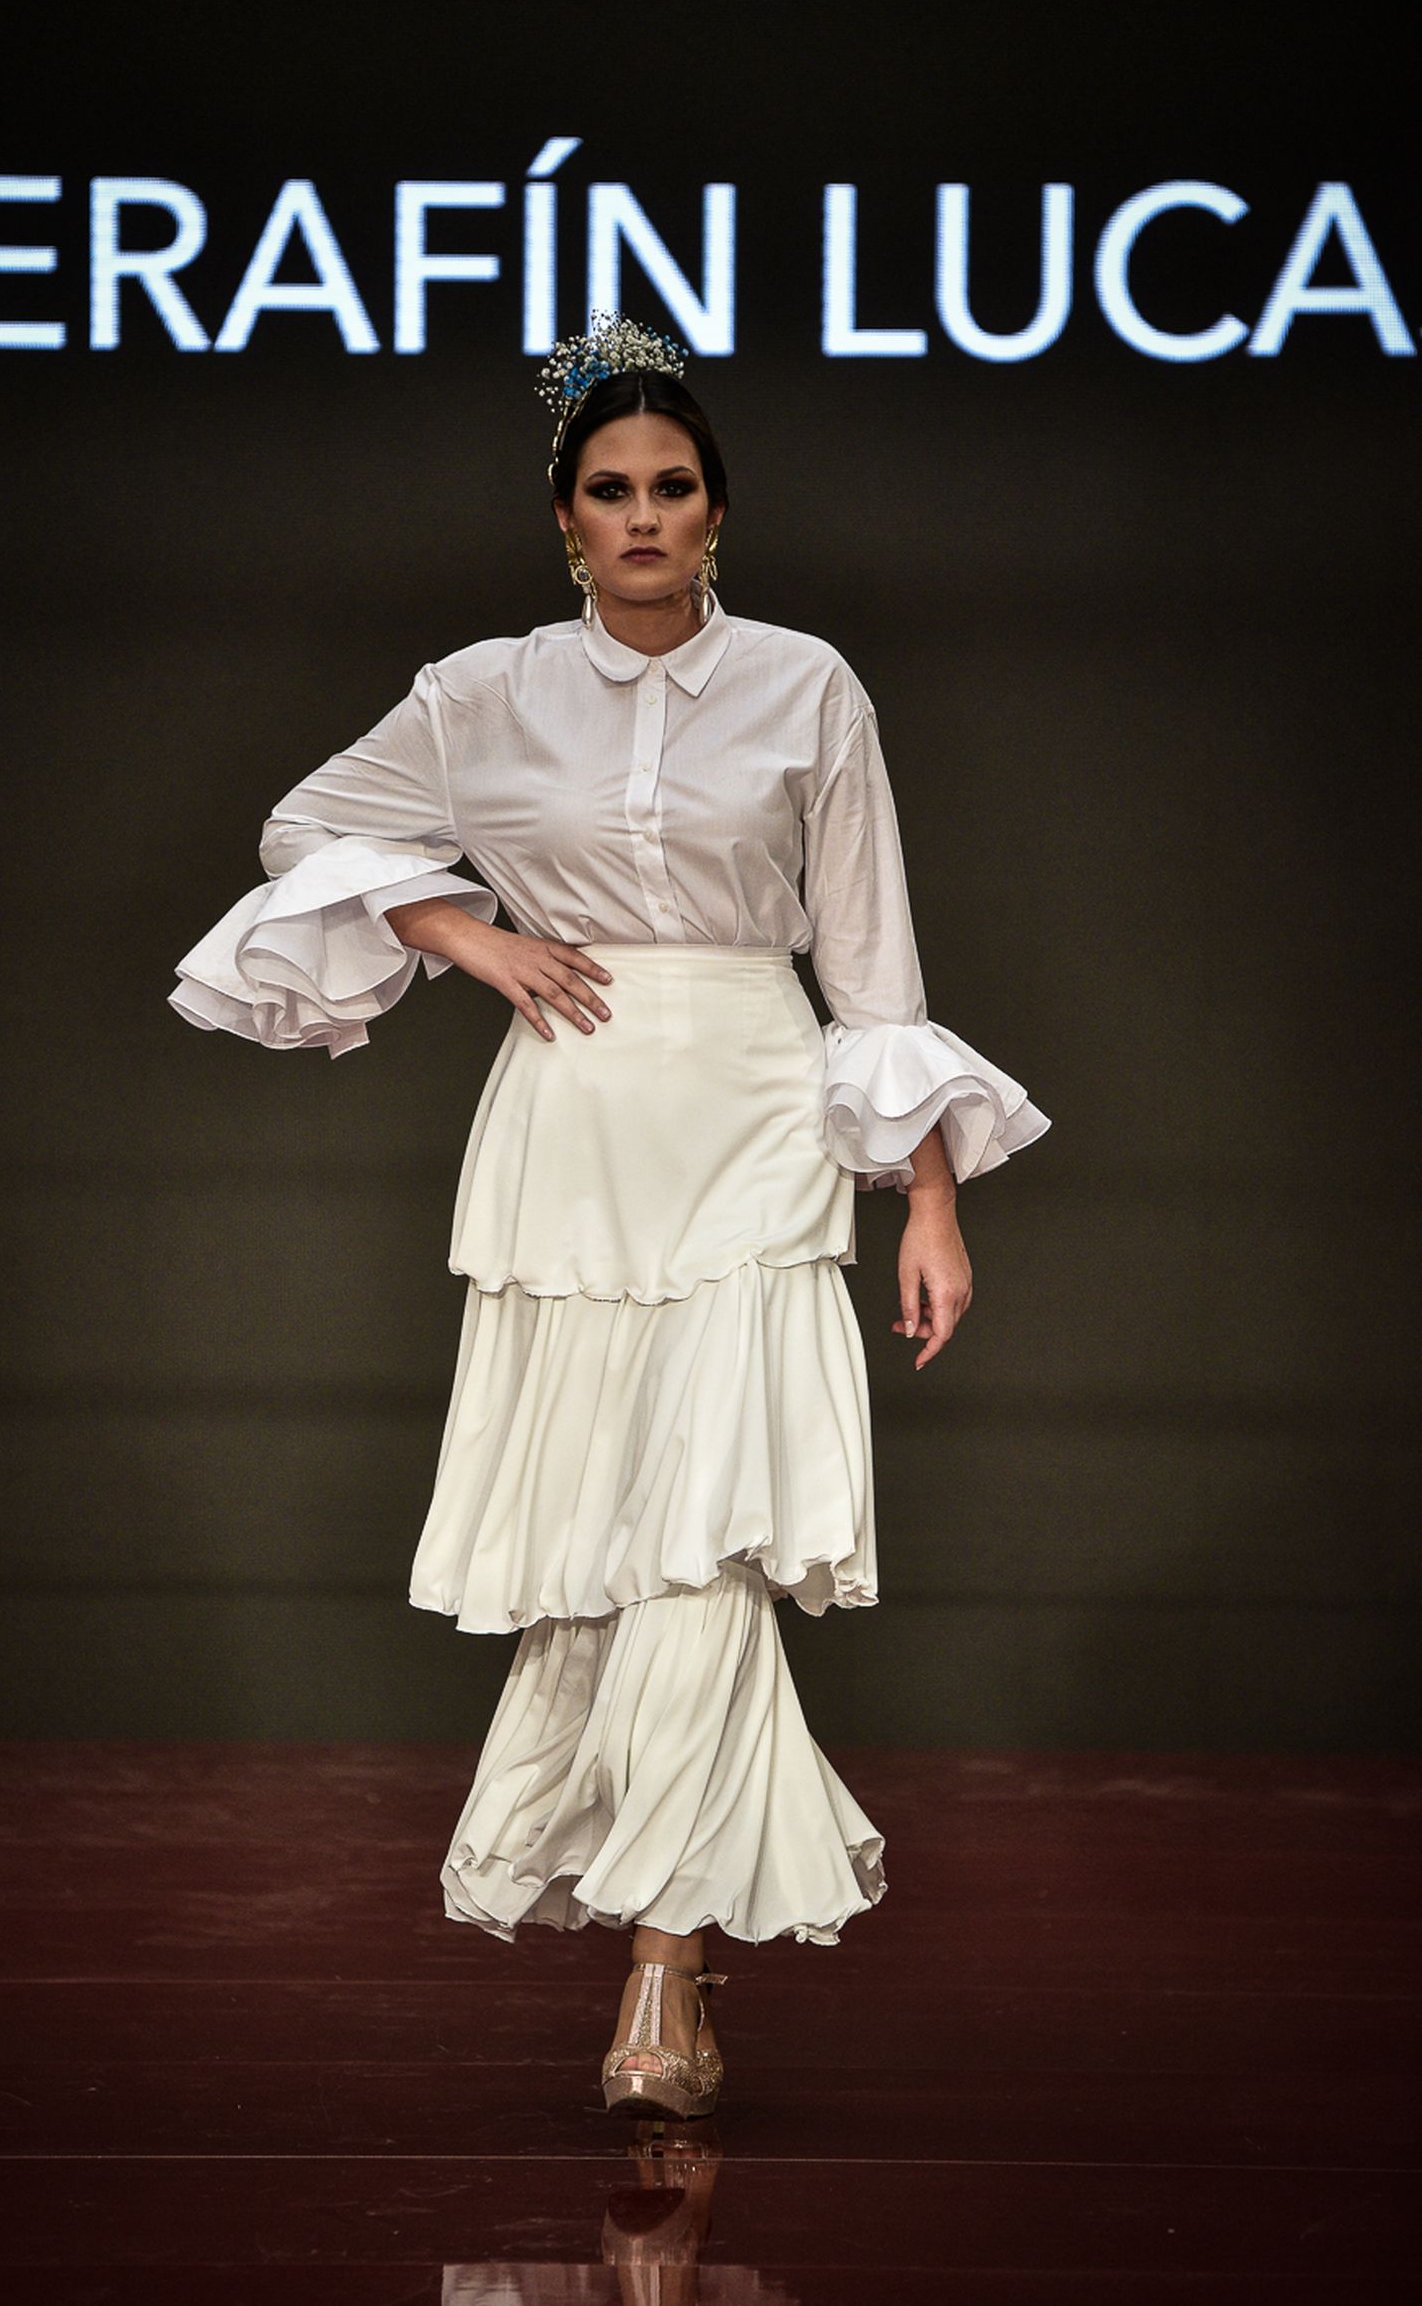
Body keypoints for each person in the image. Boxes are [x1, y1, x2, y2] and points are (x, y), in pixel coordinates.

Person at [170, 314, 1051, 2119]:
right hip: (574, 1121)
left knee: (710, 1538)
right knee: (598, 1551)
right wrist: (467, 932)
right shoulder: (480, 693)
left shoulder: (810, 684)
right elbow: (301, 829)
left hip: (754, 1102)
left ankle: (660, 1971)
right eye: (608, 493)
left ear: (715, 510)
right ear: (563, 520)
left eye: (671, 488)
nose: (642, 518)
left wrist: (929, 1199)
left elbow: (872, 963)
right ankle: (664, 1921)